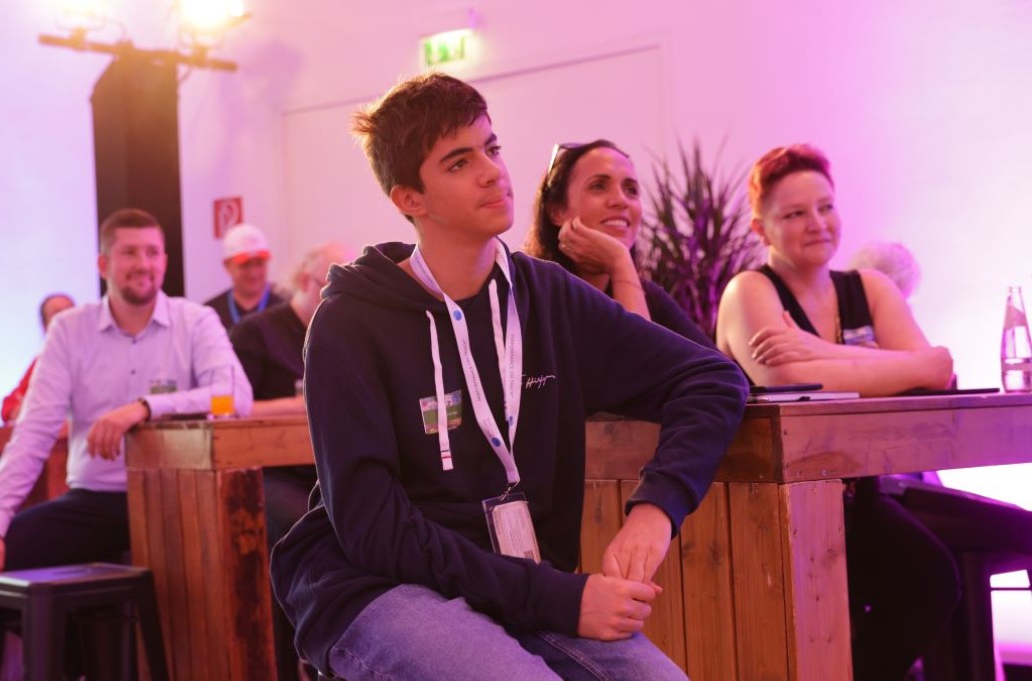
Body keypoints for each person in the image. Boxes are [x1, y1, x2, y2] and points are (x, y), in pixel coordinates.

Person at [269, 73, 748, 681]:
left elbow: (712, 380)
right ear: (409, 198)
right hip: (375, 587)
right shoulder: (349, 324)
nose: (493, 171)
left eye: (492, 148)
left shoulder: (545, 295)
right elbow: (374, 533)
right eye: (459, 162)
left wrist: (656, 509)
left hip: (517, 584)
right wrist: (559, 598)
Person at [715, 144, 958, 680]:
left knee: (932, 581)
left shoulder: (870, 288)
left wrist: (820, 352)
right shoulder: (748, 291)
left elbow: (932, 384)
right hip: (772, 508)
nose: (817, 223)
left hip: (854, 497)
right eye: (795, 213)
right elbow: (788, 383)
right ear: (761, 228)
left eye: (825, 207)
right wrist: (898, 366)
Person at [0, 208, 252, 604]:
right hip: (95, 499)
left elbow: (233, 396)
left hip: (177, 498)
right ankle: (75, 662)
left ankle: (117, 661)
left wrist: (144, 408)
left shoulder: (196, 321)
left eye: (152, 253)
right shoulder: (69, 329)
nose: (143, 264)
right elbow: (33, 432)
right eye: (129, 253)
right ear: (103, 263)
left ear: (164, 260)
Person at [229, 241, 352, 681]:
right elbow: (231, 406)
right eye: (330, 288)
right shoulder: (255, 333)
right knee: (309, 528)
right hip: (264, 474)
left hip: (326, 467)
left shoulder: (341, 333)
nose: (338, 301)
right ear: (304, 282)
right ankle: (317, 647)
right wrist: (301, 401)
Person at [524, 138, 713, 349]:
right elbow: (639, 368)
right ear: (556, 211)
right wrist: (619, 261)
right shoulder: (532, 297)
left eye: (631, 190)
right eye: (598, 186)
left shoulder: (651, 297)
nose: (621, 200)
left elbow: (726, 377)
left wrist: (620, 264)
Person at [0, 293, 75, 425]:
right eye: (58, 314)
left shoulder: (97, 356)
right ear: (45, 326)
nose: (66, 319)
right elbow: (9, 407)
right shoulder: (43, 360)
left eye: (71, 312)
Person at [205, 223, 287, 332]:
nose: (254, 273)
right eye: (245, 265)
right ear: (227, 266)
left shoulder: (287, 307)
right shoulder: (211, 314)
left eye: (259, 263)